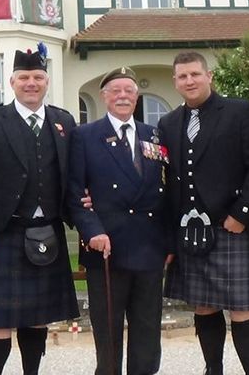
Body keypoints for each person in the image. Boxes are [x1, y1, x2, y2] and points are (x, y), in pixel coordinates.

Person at [0, 45, 79, 375]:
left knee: (37, 317)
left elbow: (74, 175)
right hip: (2, 233)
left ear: (47, 81)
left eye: (38, 76)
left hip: (48, 231)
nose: (31, 82)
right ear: (12, 81)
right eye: (24, 77)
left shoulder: (63, 121)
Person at [160, 51, 249, 375]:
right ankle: (213, 369)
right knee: (204, 306)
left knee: (241, 308)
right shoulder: (168, 123)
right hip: (189, 231)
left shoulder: (238, 112)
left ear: (210, 77)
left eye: (195, 74)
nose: (189, 80)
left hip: (229, 225)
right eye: (183, 76)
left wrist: (242, 215)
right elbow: (164, 180)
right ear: (175, 82)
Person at [67, 66, 172, 375]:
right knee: (108, 329)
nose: (123, 95)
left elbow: (166, 191)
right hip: (106, 248)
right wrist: (92, 231)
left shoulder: (154, 134)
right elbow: (74, 192)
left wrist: (168, 241)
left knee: (147, 328)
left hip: (149, 247)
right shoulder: (85, 135)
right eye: (116, 90)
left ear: (136, 96)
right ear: (105, 96)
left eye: (129, 90)